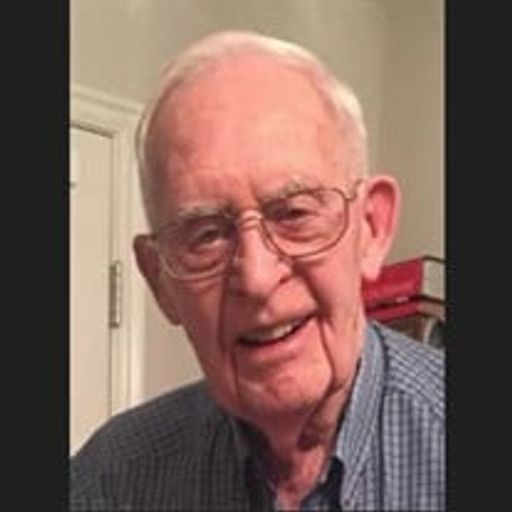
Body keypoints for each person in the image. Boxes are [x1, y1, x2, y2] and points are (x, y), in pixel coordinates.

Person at [70, 30, 445, 511]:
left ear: (371, 228)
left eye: (295, 213)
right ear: (159, 279)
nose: (257, 278)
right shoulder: (107, 483)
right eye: (207, 234)